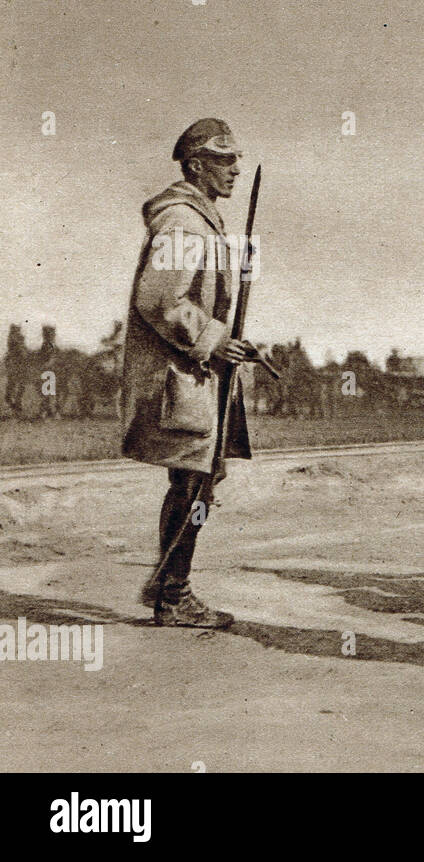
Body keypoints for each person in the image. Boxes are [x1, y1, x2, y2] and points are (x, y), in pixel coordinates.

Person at [122, 118, 256, 628]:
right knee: (194, 481)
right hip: (185, 375)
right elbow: (158, 298)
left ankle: (169, 585)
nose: (236, 170)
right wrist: (215, 339)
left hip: (199, 373)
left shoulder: (202, 220)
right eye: (225, 161)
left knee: (200, 479)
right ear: (196, 165)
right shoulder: (183, 222)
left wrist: (226, 342)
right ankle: (173, 595)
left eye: (237, 160)